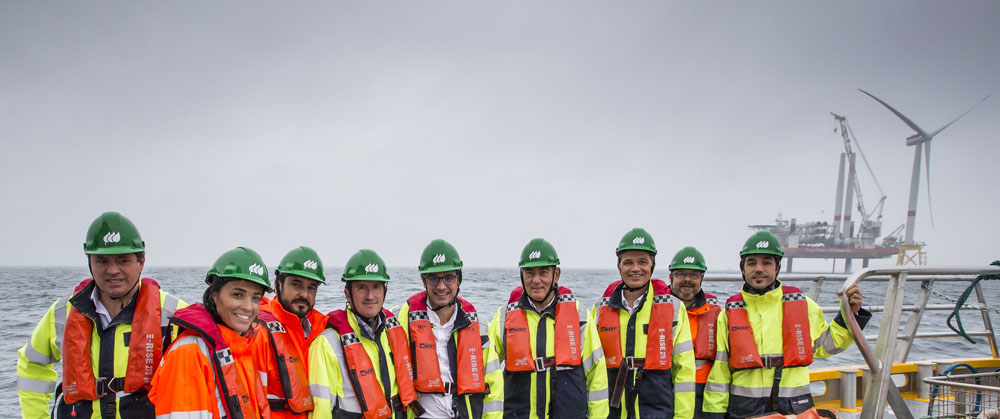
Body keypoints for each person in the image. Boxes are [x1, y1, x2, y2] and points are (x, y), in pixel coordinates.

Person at [17, 211, 185, 419]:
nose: (112, 270)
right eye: (102, 261)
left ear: (141, 261)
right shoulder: (62, 313)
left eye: (123, 260)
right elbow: (32, 364)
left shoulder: (173, 314)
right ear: (90, 262)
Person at [703, 232, 871, 419]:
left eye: (766, 262)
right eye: (752, 263)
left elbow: (829, 346)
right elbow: (720, 374)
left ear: (777, 268)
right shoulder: (728, 313)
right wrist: (714, 415)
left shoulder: (803, 305)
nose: (758, 269)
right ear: (742, 268)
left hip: (794, 407)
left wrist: (850, 314)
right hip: (745, 408)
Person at [488, 238, 609, 419]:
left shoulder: (580, 316)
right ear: (522, 275)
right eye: (530, 273)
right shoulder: (504, 317)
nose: (536, 280)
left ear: (556, 275)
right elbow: (488, 372)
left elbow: (597, 375)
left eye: (543, 272)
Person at [148, 246, 273, 418]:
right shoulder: (189, 353)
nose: (248, 306)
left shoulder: (239, 345)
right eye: (237, 295)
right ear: (214, 294)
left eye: (255, 298)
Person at [594, 228, 697, 419]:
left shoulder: (674, 308)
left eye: (642, 262)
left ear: (652, 265)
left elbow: (684, 371)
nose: (635, 268)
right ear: (619, 267)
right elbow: (592, 368)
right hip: (611, 411)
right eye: (628, 262)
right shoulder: (601, 307)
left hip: (656, 410)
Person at [396, 239, 504, 418]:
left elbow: (493, 384)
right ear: (423, 280)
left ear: (458, 278)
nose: (441, 286)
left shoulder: (479, 326)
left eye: (448, 278)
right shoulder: (400, 320)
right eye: (433, 278)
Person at [308, 249, 421, 419]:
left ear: (385, 291)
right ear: (348, 294)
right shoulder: (327, 343)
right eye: (361, 287)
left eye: (376, 287)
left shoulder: (394, 330)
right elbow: (321, 409)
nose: (370, 296)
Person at [257, 246, 330, 418]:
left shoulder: (324, 328)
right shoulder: (256, 328)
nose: (304, 294)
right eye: (296, 284)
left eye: (311, 288)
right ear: (277, 285)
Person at [667, 246, 722, 419]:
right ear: (671, 277)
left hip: (702, 391)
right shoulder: (655, 309)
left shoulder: (717, 314)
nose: (687, 280)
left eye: (694, 275)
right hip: (663, 388)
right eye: (681, 274)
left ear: (702, 278)